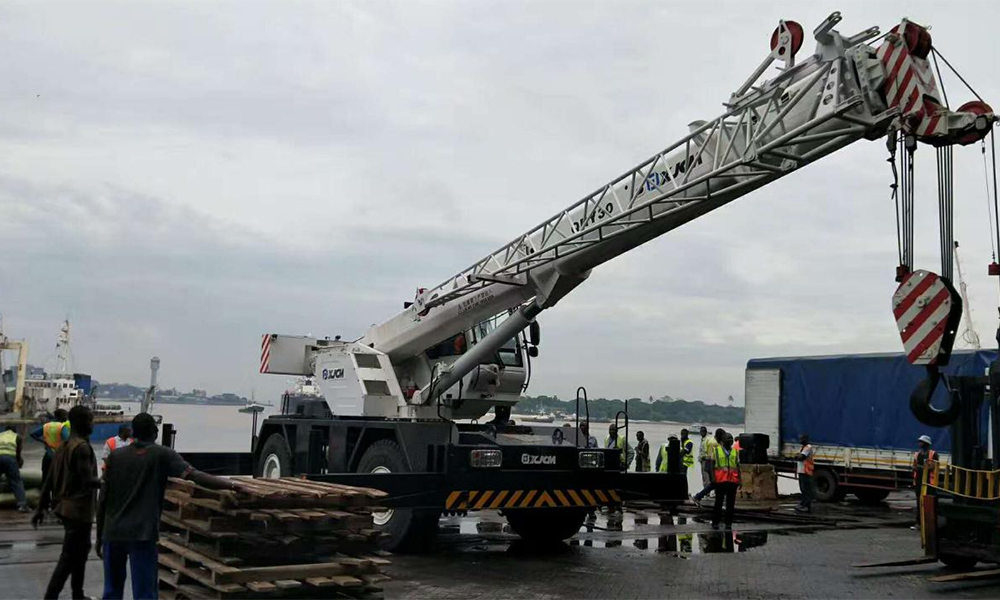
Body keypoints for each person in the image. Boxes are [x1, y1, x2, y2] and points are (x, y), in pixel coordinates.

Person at [97, 413, 253, 600]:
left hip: (113, 532)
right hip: (142, 534)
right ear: (155, 432)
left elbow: (103, 498)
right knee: (144, 592)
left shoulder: (115, 456)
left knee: (112, 590)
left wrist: (99, 536)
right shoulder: (162, 454)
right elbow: (195, 476)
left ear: (133, 433)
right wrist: (233, 485)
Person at [33, 405, 100, 600]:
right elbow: (88, 481)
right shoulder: (82, 448)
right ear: (82, 423)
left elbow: (48, 480)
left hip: (65, 508)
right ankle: (51, 596)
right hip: (78, 510)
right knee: (69, 557)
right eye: (90, 420)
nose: (93, 424)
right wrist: (111, 480)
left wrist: (40, 508)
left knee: (81, 552)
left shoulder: (62, 446)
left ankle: (78, 594)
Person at [31, 409, 70, 485]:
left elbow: (33, 434)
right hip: (59, 456)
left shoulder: (46, 426)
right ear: (61, 416)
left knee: (45, 479)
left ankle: (45, 492)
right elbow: (67, 441)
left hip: (48, 456)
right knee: (59, 480)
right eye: (65, 416)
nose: (66, 418)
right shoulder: (62, 427)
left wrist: (43, 442)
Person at [712, 432, 740, 529]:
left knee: (730, 504)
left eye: (731, 439)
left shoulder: (735, 452)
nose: (730, 440)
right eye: (728, 439)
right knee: (718, 503)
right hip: (720, 481)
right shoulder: (716, 451)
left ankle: (728, 523)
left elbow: (737, 467)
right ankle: (715, 522)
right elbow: (710, 466)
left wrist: (739, 480)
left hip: (732, 481)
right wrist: (713, 478)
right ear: (723, 441)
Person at [0, 425, 29, 512]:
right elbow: (18, 454)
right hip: (10, 459)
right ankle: (22, 505)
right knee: (16, 481)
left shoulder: (0, 435)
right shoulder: (17, 437)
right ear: (15, 430)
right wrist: (19, 463)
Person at [693, 428, 725, 504]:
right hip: (712, 464)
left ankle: (700, 496)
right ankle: (698, 496)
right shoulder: (714, 443)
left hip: (711, 464)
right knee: (713, 483)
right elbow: (711, 456)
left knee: (714, 484)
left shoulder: (713, 441)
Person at [913, 434, 937, 526]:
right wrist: (922, 467)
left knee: (929, 502)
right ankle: (919, 522)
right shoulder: (917, 454)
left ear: (926, 443)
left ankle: (929, 522)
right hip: (919, 481)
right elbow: (914, 467)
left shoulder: (933, 454)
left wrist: (920, 467)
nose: (919, 443)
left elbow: (932, 467)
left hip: (929, 482)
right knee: (919, 501)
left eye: (921, 442)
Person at [795, 434, 815, 513]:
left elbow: (801, 457)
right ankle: (803, 504)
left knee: (805, 489)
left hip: (806, 471)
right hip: (802, 471)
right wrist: (797, 456)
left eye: (802, 439)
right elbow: (797, 456)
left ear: (806, 439)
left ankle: (806, 505)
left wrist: (798, 456)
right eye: (800, 439)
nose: (800, 440)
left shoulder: (808, 447)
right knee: (803, 489)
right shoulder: (802, 448)